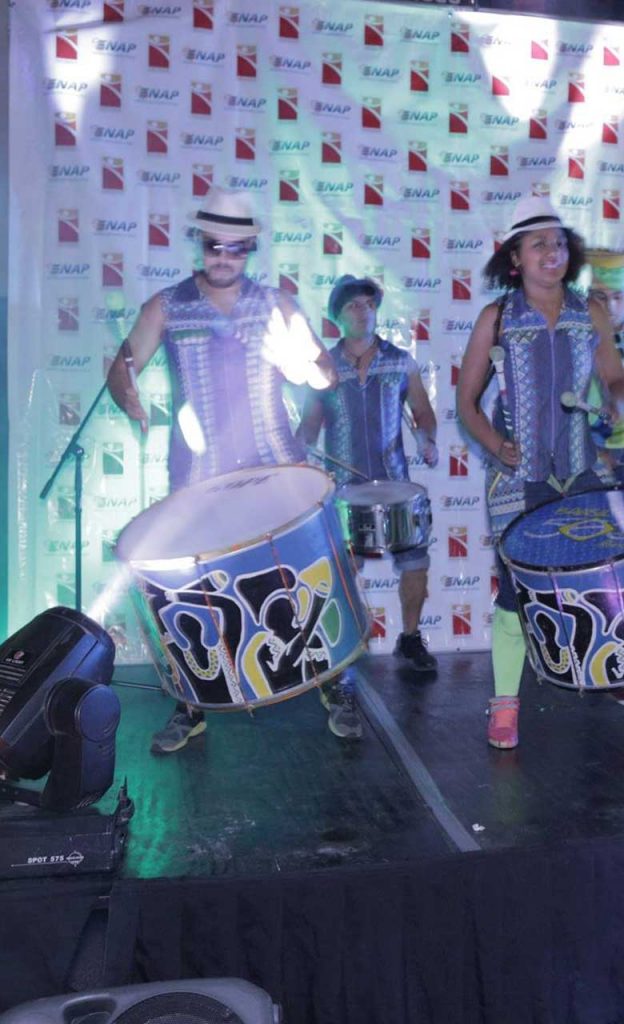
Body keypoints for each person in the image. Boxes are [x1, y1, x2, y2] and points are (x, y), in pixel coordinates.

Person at [107, 187, 339, 753]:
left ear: (250, 250)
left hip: (276, 468)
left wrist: (307, 367)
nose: (224, 257)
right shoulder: (166, 305)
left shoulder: (277, 305)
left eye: (236, 248)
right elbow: (124, 362)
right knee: (193, 594)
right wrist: (126, 393)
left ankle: (336, 686)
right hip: (200, 476)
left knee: (306, 579)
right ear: (200, 243)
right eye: (215, 245)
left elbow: (325, 372)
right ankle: (191, 707)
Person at [456, 195, 624, 750]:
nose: (552, 253)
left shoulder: (591, 311)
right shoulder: (497, 318)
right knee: (516, 593)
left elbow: (613, 378)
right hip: (517, 480)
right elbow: (466, 403)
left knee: (606, 580)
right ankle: (505, 705)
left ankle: (610, 673)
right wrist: (494, 445)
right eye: (538, 245)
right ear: (515, 259)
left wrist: (616, 403)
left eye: (558, 243)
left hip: (582, 472)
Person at [297, 274, 439, 715]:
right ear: (337, 316)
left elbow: (423, 412)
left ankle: (410, 638)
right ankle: (343, 646)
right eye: (353, 306)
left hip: (395, 484)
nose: (363, 312)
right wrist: (299, 449)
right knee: (344, 570)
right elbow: (310, 423)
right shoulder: (323, 367)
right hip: (343, 489)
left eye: (368, 304)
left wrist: (427, 439)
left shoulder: (400, 361)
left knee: (415, 561)